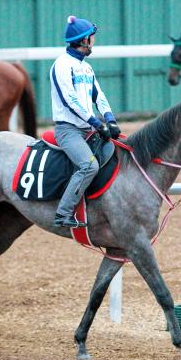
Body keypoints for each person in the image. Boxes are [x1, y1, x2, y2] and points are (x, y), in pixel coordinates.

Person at [51, 15, 121, 228]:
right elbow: (69, 101)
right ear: (83, 41)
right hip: (68, 130)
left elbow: (98, 95)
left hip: (88, 127)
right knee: (89, 166)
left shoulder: (86, 67)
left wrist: (110, 118)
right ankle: (62, 214)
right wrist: (97, 123)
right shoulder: (62, 65)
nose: (94, 41)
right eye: (92, 37)